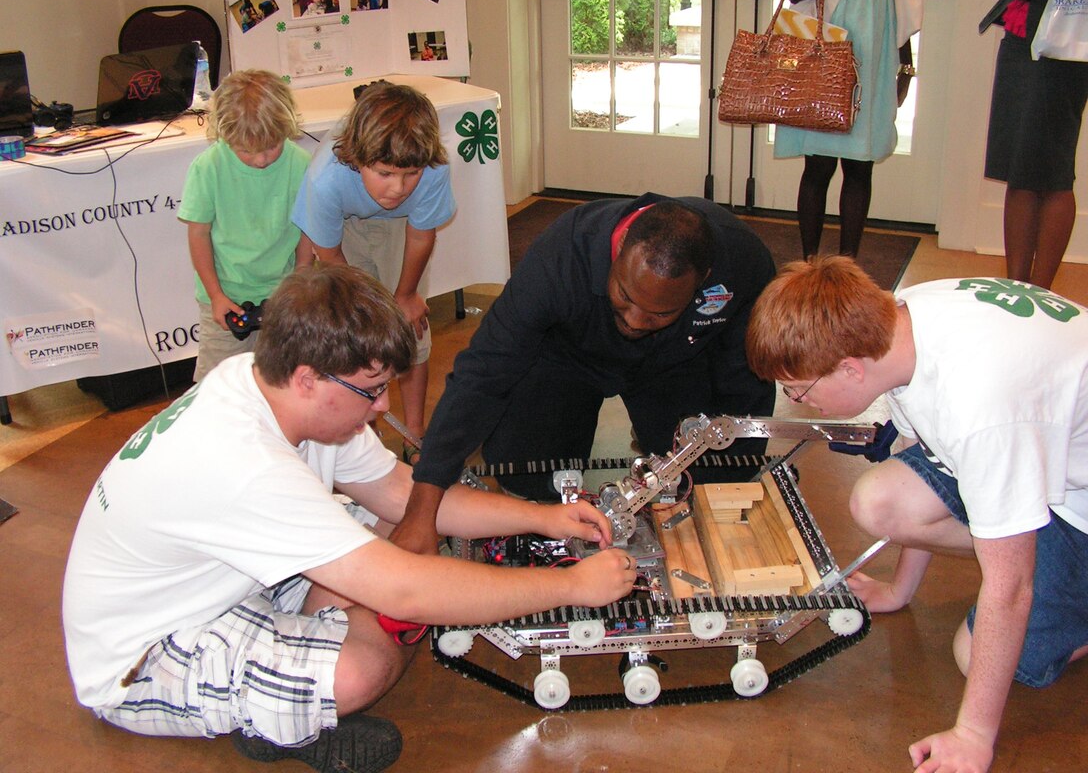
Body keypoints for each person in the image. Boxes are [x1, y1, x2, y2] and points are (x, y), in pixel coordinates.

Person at [61, 265, 632, 773]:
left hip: (219, 583)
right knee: (363, 668)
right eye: (372, 391)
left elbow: (403, 492)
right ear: (308, 377)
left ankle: (297, 684)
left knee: (410, 530)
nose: (384, 407)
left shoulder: (260, 378)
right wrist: (570, 586)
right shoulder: (242, 462)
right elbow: (408, 590)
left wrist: (542, 518)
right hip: (142, 659)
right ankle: (286, 710)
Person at [744, 255, 1088, 773]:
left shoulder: (980, 408)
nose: (797, 401)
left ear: (850, 368)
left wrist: (972, 735)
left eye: (798, 390)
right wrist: (899, 592)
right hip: (1048, 451)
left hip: (1074, 503)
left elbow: (1011, 587)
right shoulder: (900, 326)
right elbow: (925, 458)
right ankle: (1020, 541)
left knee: (981, 657)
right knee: (879, 500)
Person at [400, 194, 777, 555]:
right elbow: (484, 372)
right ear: (621, 245)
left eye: (659, 312)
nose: (634, 321)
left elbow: (746, 380)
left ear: (704, 279)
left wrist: (734, 480)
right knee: (529, 474)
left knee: (699, 481)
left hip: (673, 364)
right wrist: (423, 505)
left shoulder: (743, 263)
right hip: (568, 356)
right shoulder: (560, 258)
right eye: (625, 296)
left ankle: (669, 443)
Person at [292, 81, 452, 464]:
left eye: (409, 174)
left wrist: (406, 295)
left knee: (412, 332)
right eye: (384, 173)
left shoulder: (430, 167)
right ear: (357, 159)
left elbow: (421, 236)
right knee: (358, 337)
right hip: (344, 228)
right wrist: (367, 309)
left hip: (404, 228)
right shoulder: (326, 179)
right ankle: (368, 439)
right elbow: (330, 256)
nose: (398, 187)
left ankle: (415, 435)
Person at [766, 0, 923, 258]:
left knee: (860, 165)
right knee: (818, 164)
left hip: (877, 40)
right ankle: (809, 264)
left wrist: (906, 65)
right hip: (825, 35)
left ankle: (848, 269)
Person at [178, 69, 313, 382]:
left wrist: (301, 277)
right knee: (217, 388)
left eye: (271, 146)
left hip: (283, 295)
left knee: (284, 381)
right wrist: (215, 294)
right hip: (227, 295)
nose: (261, 160)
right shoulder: (208, 167)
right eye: (247, 150)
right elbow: (198, 234)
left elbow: (307, 229)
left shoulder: (301, 163)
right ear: (224, 134)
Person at [985, 0, 1088, 289]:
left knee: (1052, 174)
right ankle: (1016, 289)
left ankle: (1041, 294)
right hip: (1019, 34)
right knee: (1018, 168)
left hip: (1065, 46)